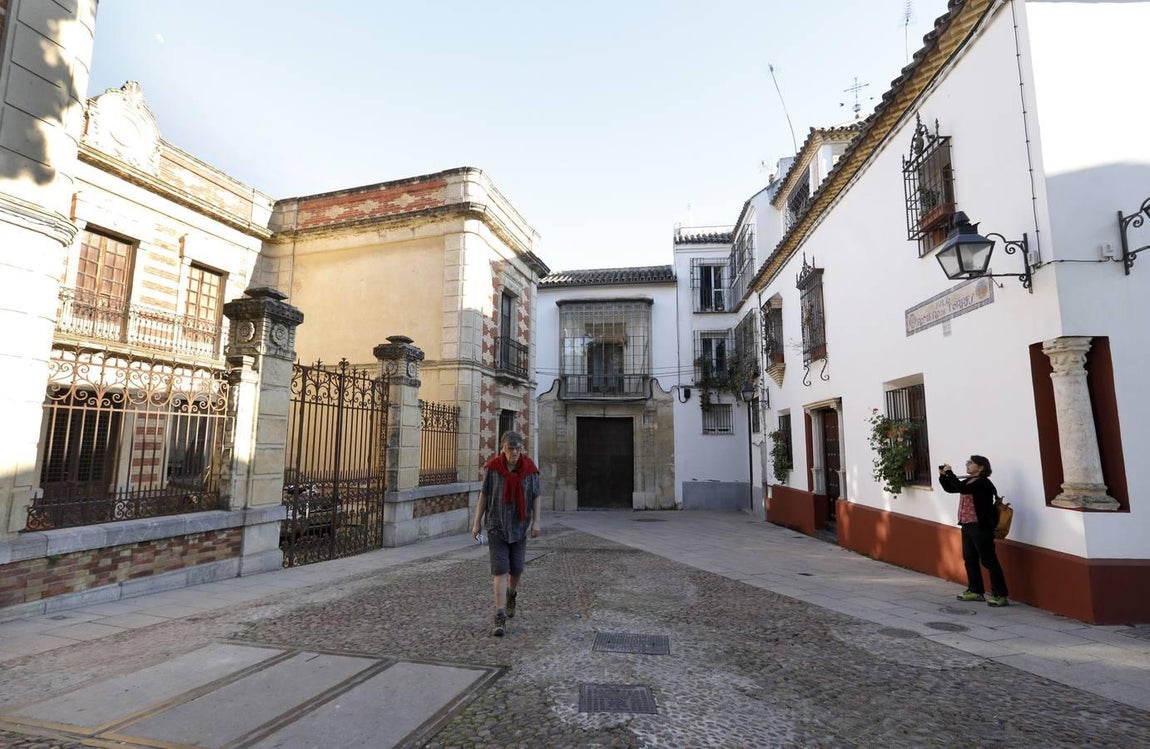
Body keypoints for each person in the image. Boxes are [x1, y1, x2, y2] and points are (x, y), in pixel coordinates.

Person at [472, 431, 541, 637]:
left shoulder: (530, 470)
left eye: (518, 449)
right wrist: (476, 523)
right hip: (496, 526)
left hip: (519, 527)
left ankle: (512, 593)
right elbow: (484, 495)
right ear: (503, 449)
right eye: (510, 449)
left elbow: (536, 496)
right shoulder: (493, 469)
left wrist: (536, 521)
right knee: (500, 570)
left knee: (517, 568)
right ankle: (499, 615)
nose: (514, 453)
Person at [939, 455, 1008, 607]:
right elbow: (952, 488)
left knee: (988, 560)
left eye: (971, 463)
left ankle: (1000, 594)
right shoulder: (970, 480)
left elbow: (962, 488)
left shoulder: (983, 483)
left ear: (981, 467)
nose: (968, 465)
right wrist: (943, 477)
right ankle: (975, 590)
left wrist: (950, 473)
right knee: (969, 558)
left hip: (981, 526)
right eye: (967, 463)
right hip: (968, 525)